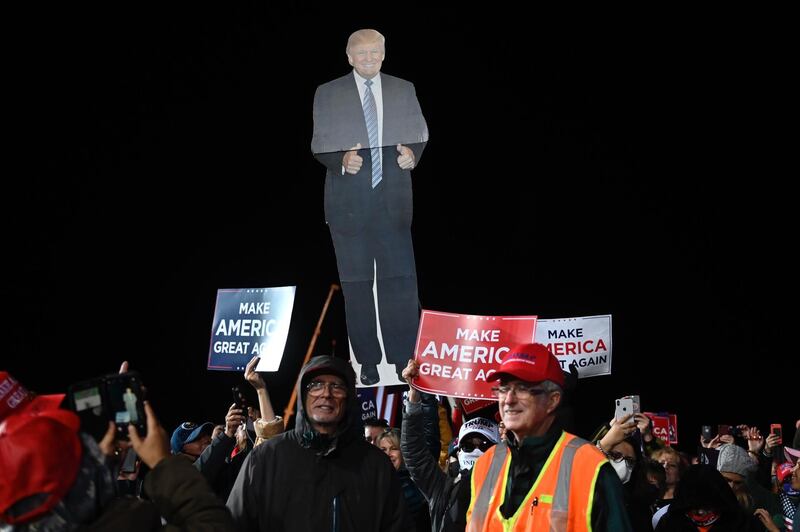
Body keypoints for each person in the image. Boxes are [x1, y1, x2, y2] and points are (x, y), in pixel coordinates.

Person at [311, 28, 428, 386]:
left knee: (400, 284)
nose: (368, 59)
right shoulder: (327, 92)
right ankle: (369, 361)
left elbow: (420, 132)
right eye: (361, 54)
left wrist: (413, 152)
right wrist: (341, 159)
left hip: (393, 204)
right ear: (349, 57)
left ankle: (402, 357)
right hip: (348, 208)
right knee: (358, 286)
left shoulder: (402, 88)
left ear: (383, 53)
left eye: (374, 52)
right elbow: (318, 143)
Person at [0, 370, 235, 531]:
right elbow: (212, 524)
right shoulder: (126, 520)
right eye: (50, 431)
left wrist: (105, 459)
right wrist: (163, 463)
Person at [226, 355, 412, 531]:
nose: (326, 394)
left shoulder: (376, 465)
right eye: (316, 385)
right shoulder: (265, 459)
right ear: (303, 394)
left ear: (349, 397)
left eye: (337, 386)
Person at [465, 343, 632, 531]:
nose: (509, 399)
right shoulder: (483, 465)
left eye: (522, 388)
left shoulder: (591, 467)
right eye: (503, 388)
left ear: (553, 400)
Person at [401, 356, 501, 532]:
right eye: (468, 445)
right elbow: (414, 452)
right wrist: (414, 393)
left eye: (484, 444)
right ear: (459, 450)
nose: (476, 450)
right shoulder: (441, 488)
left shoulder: (509, 483)